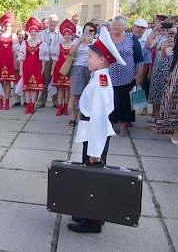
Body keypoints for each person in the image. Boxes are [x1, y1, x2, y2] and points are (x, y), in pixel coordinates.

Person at [68, 26, 126, 234]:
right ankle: (87, 212)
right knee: (88, 175)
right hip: (92, 132)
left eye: (91, 56)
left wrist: (95, 150)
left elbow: (100, 118)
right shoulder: (98, 77)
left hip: (96, 135)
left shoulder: (101, 82)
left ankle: (93, 221)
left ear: (102, 60)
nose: (88, 60)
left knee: (94, 180)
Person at [109, 16, 143, 137]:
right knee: (110, 100)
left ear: (124, 26)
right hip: (109, 76)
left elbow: (139, 58)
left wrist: (139, 74)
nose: (116, 26)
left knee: (125, 101)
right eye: (114, 24)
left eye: (119, 24)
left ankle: (123, 124)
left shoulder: (131, 38)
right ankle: (110, 123)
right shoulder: (106, 38)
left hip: (127, 76)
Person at [18, 16, 49, 114]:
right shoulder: (25, 43)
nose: (33, 33)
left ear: (38, 32)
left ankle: (33, 104)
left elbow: (43, 59)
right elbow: (21, 58)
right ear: (29, 33)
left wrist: (43, 69)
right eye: (32, 32)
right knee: (27, 86)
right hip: (27, 66)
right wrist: (21, 70)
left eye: (35, 32)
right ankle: (28, 105)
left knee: (35, 87)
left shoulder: (41, 44)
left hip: (37, 67)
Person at [155, 26, 178, 144]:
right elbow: (166, 54)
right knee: (176, 104)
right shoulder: (177, 34)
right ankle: (176, 132)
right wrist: (164, 49)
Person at [69, 22, 97, 126]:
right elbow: (71, 52)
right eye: (87, 30)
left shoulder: (95, 41)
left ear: (94, 32)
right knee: (76, 93)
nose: (88, 33)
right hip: (78, 66)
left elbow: (98, 55)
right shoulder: (77, 40)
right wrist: (79, 43)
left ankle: (86, 115)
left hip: (91, 68)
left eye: (91, 31)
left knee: (89, 93)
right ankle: (73, 116)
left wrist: (91, 44)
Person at [0, 11, 17, 110]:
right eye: (5, 25)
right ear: (3, 26)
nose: (7, 27)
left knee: (8, 82)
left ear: (11, 27)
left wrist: (14, 63)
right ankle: (0, 101)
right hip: (0, 61)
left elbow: (14, 51)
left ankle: (7, 101)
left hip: (9, 61)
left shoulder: (13, 37)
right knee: (0, 81)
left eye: (9, 26)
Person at [37, 14, 62, 108]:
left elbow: (63, 45)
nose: (52, 23)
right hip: (45, 60)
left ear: (57, 23)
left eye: (54, 22)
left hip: (56, 60)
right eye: (51, 21)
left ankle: (55, 101)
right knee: (44, 80)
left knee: (55, 80)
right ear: (48, 23)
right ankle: (42, 101)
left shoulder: (60, 35)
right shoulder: (42, 34)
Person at [50, 19, 75, 116]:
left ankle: (65, 107)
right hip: (60, 69)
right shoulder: (59, 45)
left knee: (67, 89)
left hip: (70, 69)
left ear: (71, 35)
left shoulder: (73, 45)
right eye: (65, 35)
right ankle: (60, 107)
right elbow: (55, 59)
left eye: (69, 34)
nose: (67, 36)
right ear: (63, 36)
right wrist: (52, 70)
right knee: (60, 88)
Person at [132, 18, 152, 115]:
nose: (139, 29)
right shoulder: (126, 38)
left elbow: (147, 60)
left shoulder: (146, 42)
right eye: (137, 27)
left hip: (140, 68)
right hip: (127, 69)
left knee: (139, 86)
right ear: (133, 27)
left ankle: (142, 107)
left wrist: (141, 74)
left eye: (142, 28)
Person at [12, 29, 27, 107]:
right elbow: (14, 57)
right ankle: (17, 100)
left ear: (25, 36)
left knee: (24, 83)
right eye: (19, 34)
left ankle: (25, 101)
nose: (21, 36)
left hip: (25, 67)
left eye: (22, 34)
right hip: (17, 67)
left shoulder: (27, 44)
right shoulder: (15, 46)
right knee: (16, 83)